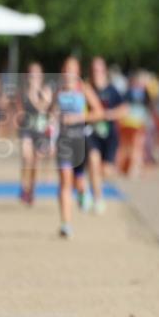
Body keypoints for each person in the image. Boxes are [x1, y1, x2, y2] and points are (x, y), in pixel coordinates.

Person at [52, 57, 105, 238]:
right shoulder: (58, 91)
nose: (68, 73)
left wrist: (77, 118)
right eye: (66, 69)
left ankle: (84, 192)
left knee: (78, 182)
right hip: (63, 142)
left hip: (80, 141)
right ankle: (66, 224)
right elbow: (51, 114)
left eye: (72, 69)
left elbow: (99, 112)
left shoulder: (84, 89)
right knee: (65, 182)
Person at [84, 57, 125, 213]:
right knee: (94, 162)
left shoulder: (112, 90)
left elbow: (124, 109)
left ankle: (93, 186)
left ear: (104, 71)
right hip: (91, 134)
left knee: (106, 171)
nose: (97, 73)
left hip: (109, 136)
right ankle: (98, 198)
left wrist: (109, 114)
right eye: (94, 70)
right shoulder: (87, 89)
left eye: (99, 70)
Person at [17, 62, 53, 205]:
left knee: (35, 161)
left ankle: (31, 189)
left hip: (40, 130)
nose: (34, 76)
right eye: (31, 73)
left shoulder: (46, 90)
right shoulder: (23, 91)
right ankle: (24, 186)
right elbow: (20, 113)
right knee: (26, 158)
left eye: (36, 73)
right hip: (27, 129)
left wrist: (34, 94)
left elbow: (42, 108)